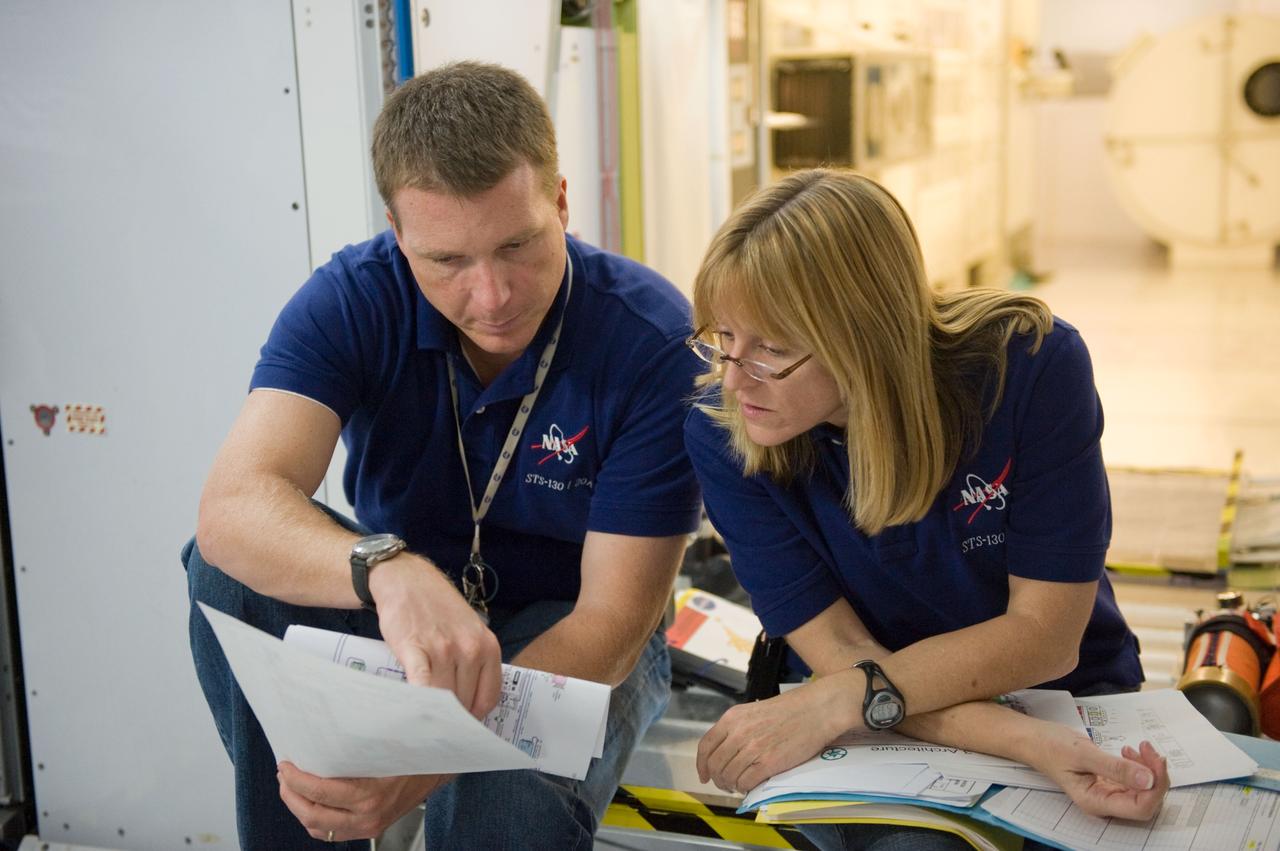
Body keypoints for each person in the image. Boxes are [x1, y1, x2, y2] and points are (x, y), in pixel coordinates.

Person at [184, 61, 702, 850]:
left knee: (495, 810)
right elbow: (231, 511)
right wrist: (386, 571)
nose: (491, 295)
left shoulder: (654, 341)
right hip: (407, 614)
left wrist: (424, 753)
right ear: (398, 235)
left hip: (571, 629)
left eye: (518, 245)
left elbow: (610, 625)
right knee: (227, 572)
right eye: (447, 262)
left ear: (561, 201)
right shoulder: (354, 297)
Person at [681, 169, 1169, 850]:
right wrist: (1024, 742)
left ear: (863, 336)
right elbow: (847, 662)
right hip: (893, 724)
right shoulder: (725, 431)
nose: (735, 377)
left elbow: (1046, 636)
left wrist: (847, 696)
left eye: (772, 347)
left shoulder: (1027, 367)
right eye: (724, 336)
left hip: (1067, 697)